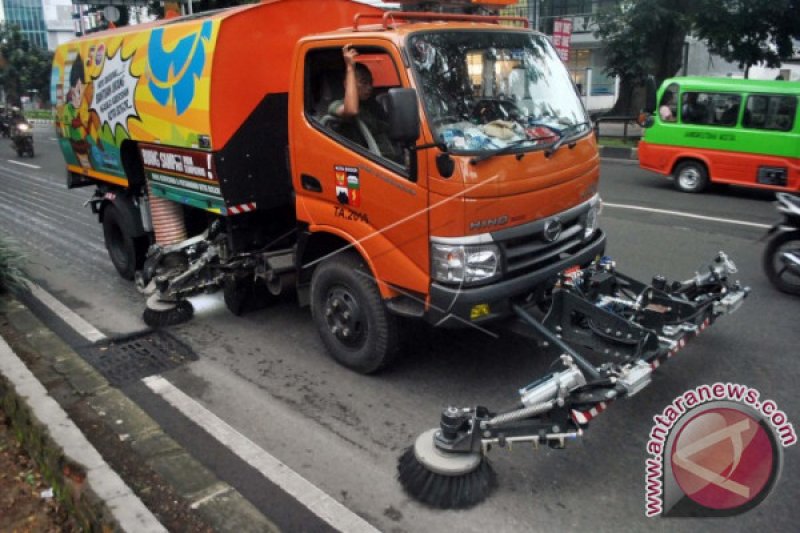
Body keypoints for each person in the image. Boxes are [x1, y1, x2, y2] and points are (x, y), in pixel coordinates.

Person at [329, 44, 397, 159]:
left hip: (389, 161)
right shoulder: (336, 105)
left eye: (370, 83)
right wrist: (350, 68)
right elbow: (351, 110)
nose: (369, 87)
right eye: (364, 82)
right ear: (347, 84)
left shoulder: (373, 106)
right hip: (369, 162)